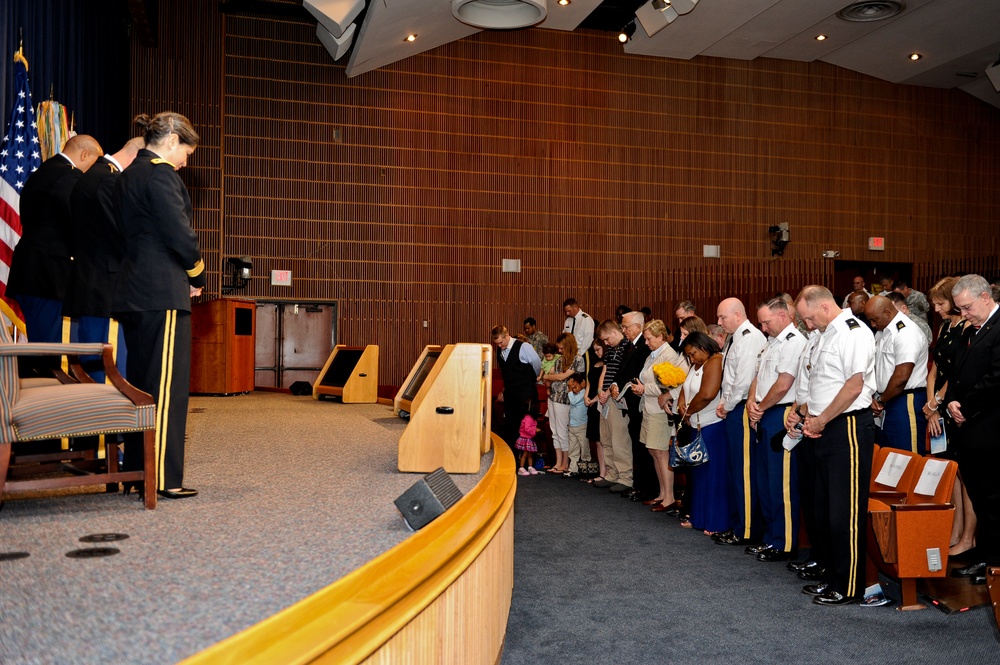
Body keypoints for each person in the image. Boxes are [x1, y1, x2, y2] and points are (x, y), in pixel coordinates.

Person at [113, 113, 204, 499]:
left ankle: (138, 469)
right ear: (171, 141)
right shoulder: (161, 175)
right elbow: (178, 234)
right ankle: (164, 477)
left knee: (140, 386)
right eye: (186, 152)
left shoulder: (128, 175)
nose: (185, 161)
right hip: (162, 291)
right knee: (165, 388)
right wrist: (197, 274)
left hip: (134, 292)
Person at [789, 285, 876, 606]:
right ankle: (833, 574)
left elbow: (854, 386)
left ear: (824, 307)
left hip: (848, 426)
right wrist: (802, 412)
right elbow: (819, 383)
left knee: (846, 510)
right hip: (824, 424)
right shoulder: (825, 334)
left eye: (809, 318)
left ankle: (850, 585)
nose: (807, 325)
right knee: (825, 507)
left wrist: (822, 418)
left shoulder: (853, 332)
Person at [65, 136, 146, 382]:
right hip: (104, 283)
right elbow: (122, 235)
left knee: (92, 358)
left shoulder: (95, 174)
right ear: (135, 159)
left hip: (91, 278)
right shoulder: (110, 180)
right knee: (104, 363)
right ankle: (104, 415)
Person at [7, 134, 103, 342]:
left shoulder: (44, 171)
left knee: (39, 343)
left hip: (32, 271)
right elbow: (80, 221)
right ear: (84, 154)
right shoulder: (68, 177)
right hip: (50, 276)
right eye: (93, 165)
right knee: (54, 349)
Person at [945, 275, 1000, 586]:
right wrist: (951, 398)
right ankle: (984, 555)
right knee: (979, 497)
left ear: (984, 297)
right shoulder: (971, 329)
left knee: (993, 500)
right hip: (969, 427)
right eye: (959, 309)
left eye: (966, 307)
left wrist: (964, 405)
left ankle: (995, 562)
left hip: (990, 428)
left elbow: (996, 378)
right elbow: (958, 372)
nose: (962, 314)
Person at [746, 297, 807, 562]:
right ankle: (770, 537)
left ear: (783, 316)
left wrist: (760, 407)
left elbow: (784, 384)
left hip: (780, 413)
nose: (763, 327)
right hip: (764, 411)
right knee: (765, 481)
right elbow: (759, 377)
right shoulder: (772, 342)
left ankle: (784, 542)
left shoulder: (794, 342)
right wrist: (751, 401)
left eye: (766, 322)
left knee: (781, 483)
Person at [922, 276, 975, 556]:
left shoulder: (967, 326)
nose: (936, 308)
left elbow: (956, 373)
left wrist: (938, 401)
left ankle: (969, 537)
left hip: (955, 402)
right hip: (939, 404)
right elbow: (934, 369)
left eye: (940, 303)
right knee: (951, 471)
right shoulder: (944, 326)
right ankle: (955, 530)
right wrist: (931, 403)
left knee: (966, 473)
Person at [714, 297, 768, 547]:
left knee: (744, 471)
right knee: (735, 469)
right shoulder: (736, 337)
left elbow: (744, 381)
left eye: (722, 317)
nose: (719, 322)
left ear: (737, 315)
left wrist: (727, 404)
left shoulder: (749, 337)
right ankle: (738, 524)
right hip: (734, 409)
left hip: (741, 409)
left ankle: (746, 529)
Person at [632, 319, 688, 513]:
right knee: (654, 452)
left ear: (660, 337)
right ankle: (662, 494)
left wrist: (643, 387)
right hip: (648, 407)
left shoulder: (669, 355)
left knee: (661, 453)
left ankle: (670, 496)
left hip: (659, 410)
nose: (646, 342)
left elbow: (669, 385)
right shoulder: (653, 354)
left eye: (649, 339)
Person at [677, 332, 730, 535]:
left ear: (703, 348)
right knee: (699, 475)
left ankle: (715, 522)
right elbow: (685, 388)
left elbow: (708, 393)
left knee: (713, 476)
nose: (691, 359)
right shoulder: (696, 364)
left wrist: (689, 410)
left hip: (712, 425)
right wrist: (682, 405)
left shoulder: (715, 360)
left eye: (692, 354)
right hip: (695, 425)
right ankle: (699, 517)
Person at [864, 295, 928, 454]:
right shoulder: (883, 332)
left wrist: (880, 400)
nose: (872, 324)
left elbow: (901, 377)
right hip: (887, 400)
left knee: (907, 456)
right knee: (888, 457)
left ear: (887, 313)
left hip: (905, 401)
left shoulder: (906, 332)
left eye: (874, 319)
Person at [609, 311, 651, 501]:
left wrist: (622, 385)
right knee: (636, 443)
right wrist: (616, 385)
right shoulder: (629, 346)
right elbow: (621, 371)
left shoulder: (645, 346)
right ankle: (639, 485)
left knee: (643, 446)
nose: (623, 330)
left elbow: (639, 374)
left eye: (626, 327)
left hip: (640, 402)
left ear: (638, 326)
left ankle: (646, 487)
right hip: (630, 402)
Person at [593, 319, 631, 492]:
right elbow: (605, 371)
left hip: (617, 397)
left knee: (619, 439)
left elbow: (621, 374)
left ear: (615, 332)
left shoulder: (626, 347)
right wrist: (600, 390)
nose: (606, 343)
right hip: (605, 399)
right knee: (605, 437)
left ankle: (625, 477)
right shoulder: (611, 350)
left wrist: (608, 392)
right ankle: (611, 473)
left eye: (607, 339)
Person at [492, 324, 542, 453]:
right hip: (510, 393)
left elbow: (536, 363)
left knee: (527, 426)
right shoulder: (500, 350)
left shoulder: (523, 347)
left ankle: (529, 461)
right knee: (511, 426)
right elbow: (506, 374)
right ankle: (514, 459)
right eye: (496, 343)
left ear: (507, 335)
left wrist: (532, 377)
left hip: (526, 392)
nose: (499, 346)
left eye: (501, 342)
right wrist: (504, 390)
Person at [541, 333, 585, 474]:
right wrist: (548, 378)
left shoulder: (577, 359)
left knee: (562, 430)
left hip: (565, 399)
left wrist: (547, 376)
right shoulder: (559, 360)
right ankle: (558, 461)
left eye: (561, 348)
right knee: (554, 431)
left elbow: (561, 376)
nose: (559, 351)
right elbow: (553, 374)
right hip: (553, 397)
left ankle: (565, 463)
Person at [584, 340, 607, 483]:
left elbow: (604, 387)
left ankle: (606, 473)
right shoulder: (595, 363)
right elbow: (589, 382)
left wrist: (593, 400)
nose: (597, 353)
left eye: (598, 349)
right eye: (595, 350)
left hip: (601, 404)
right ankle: (601, 471)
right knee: (597, 440)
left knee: (604, 440)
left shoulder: (607, 365)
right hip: (592, 404)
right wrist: (586, 396)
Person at [566, 373, 592, 477]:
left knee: (584, 447)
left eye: (575, 386)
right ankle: (573, 469)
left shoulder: (583, 393)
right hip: (572, 425)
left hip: (581, 425)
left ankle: (586, 467)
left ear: (583, 383)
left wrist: (569, 390)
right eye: (571, 387)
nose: (573, 389)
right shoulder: (574, 393)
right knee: (573, 448)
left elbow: (573, 401)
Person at [515, 398, 541, 476]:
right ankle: (521, 468)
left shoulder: (530, 418)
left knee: (530, 454)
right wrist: (535, 430)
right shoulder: (528, 418)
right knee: (525, 454)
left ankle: (530, 467)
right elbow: (527, 428)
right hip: (526, 439)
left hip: (529, 439)